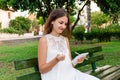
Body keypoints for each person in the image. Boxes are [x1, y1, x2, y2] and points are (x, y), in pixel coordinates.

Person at [38, 8, 100, 80]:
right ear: (52, 21)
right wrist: (56, 60)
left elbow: (69, 65)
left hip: (71, 74)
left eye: (65, 24)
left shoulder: (65, 39)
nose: (63, 26)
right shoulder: (44, 40)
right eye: (61, 23)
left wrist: (76, 61)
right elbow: (42, 70)